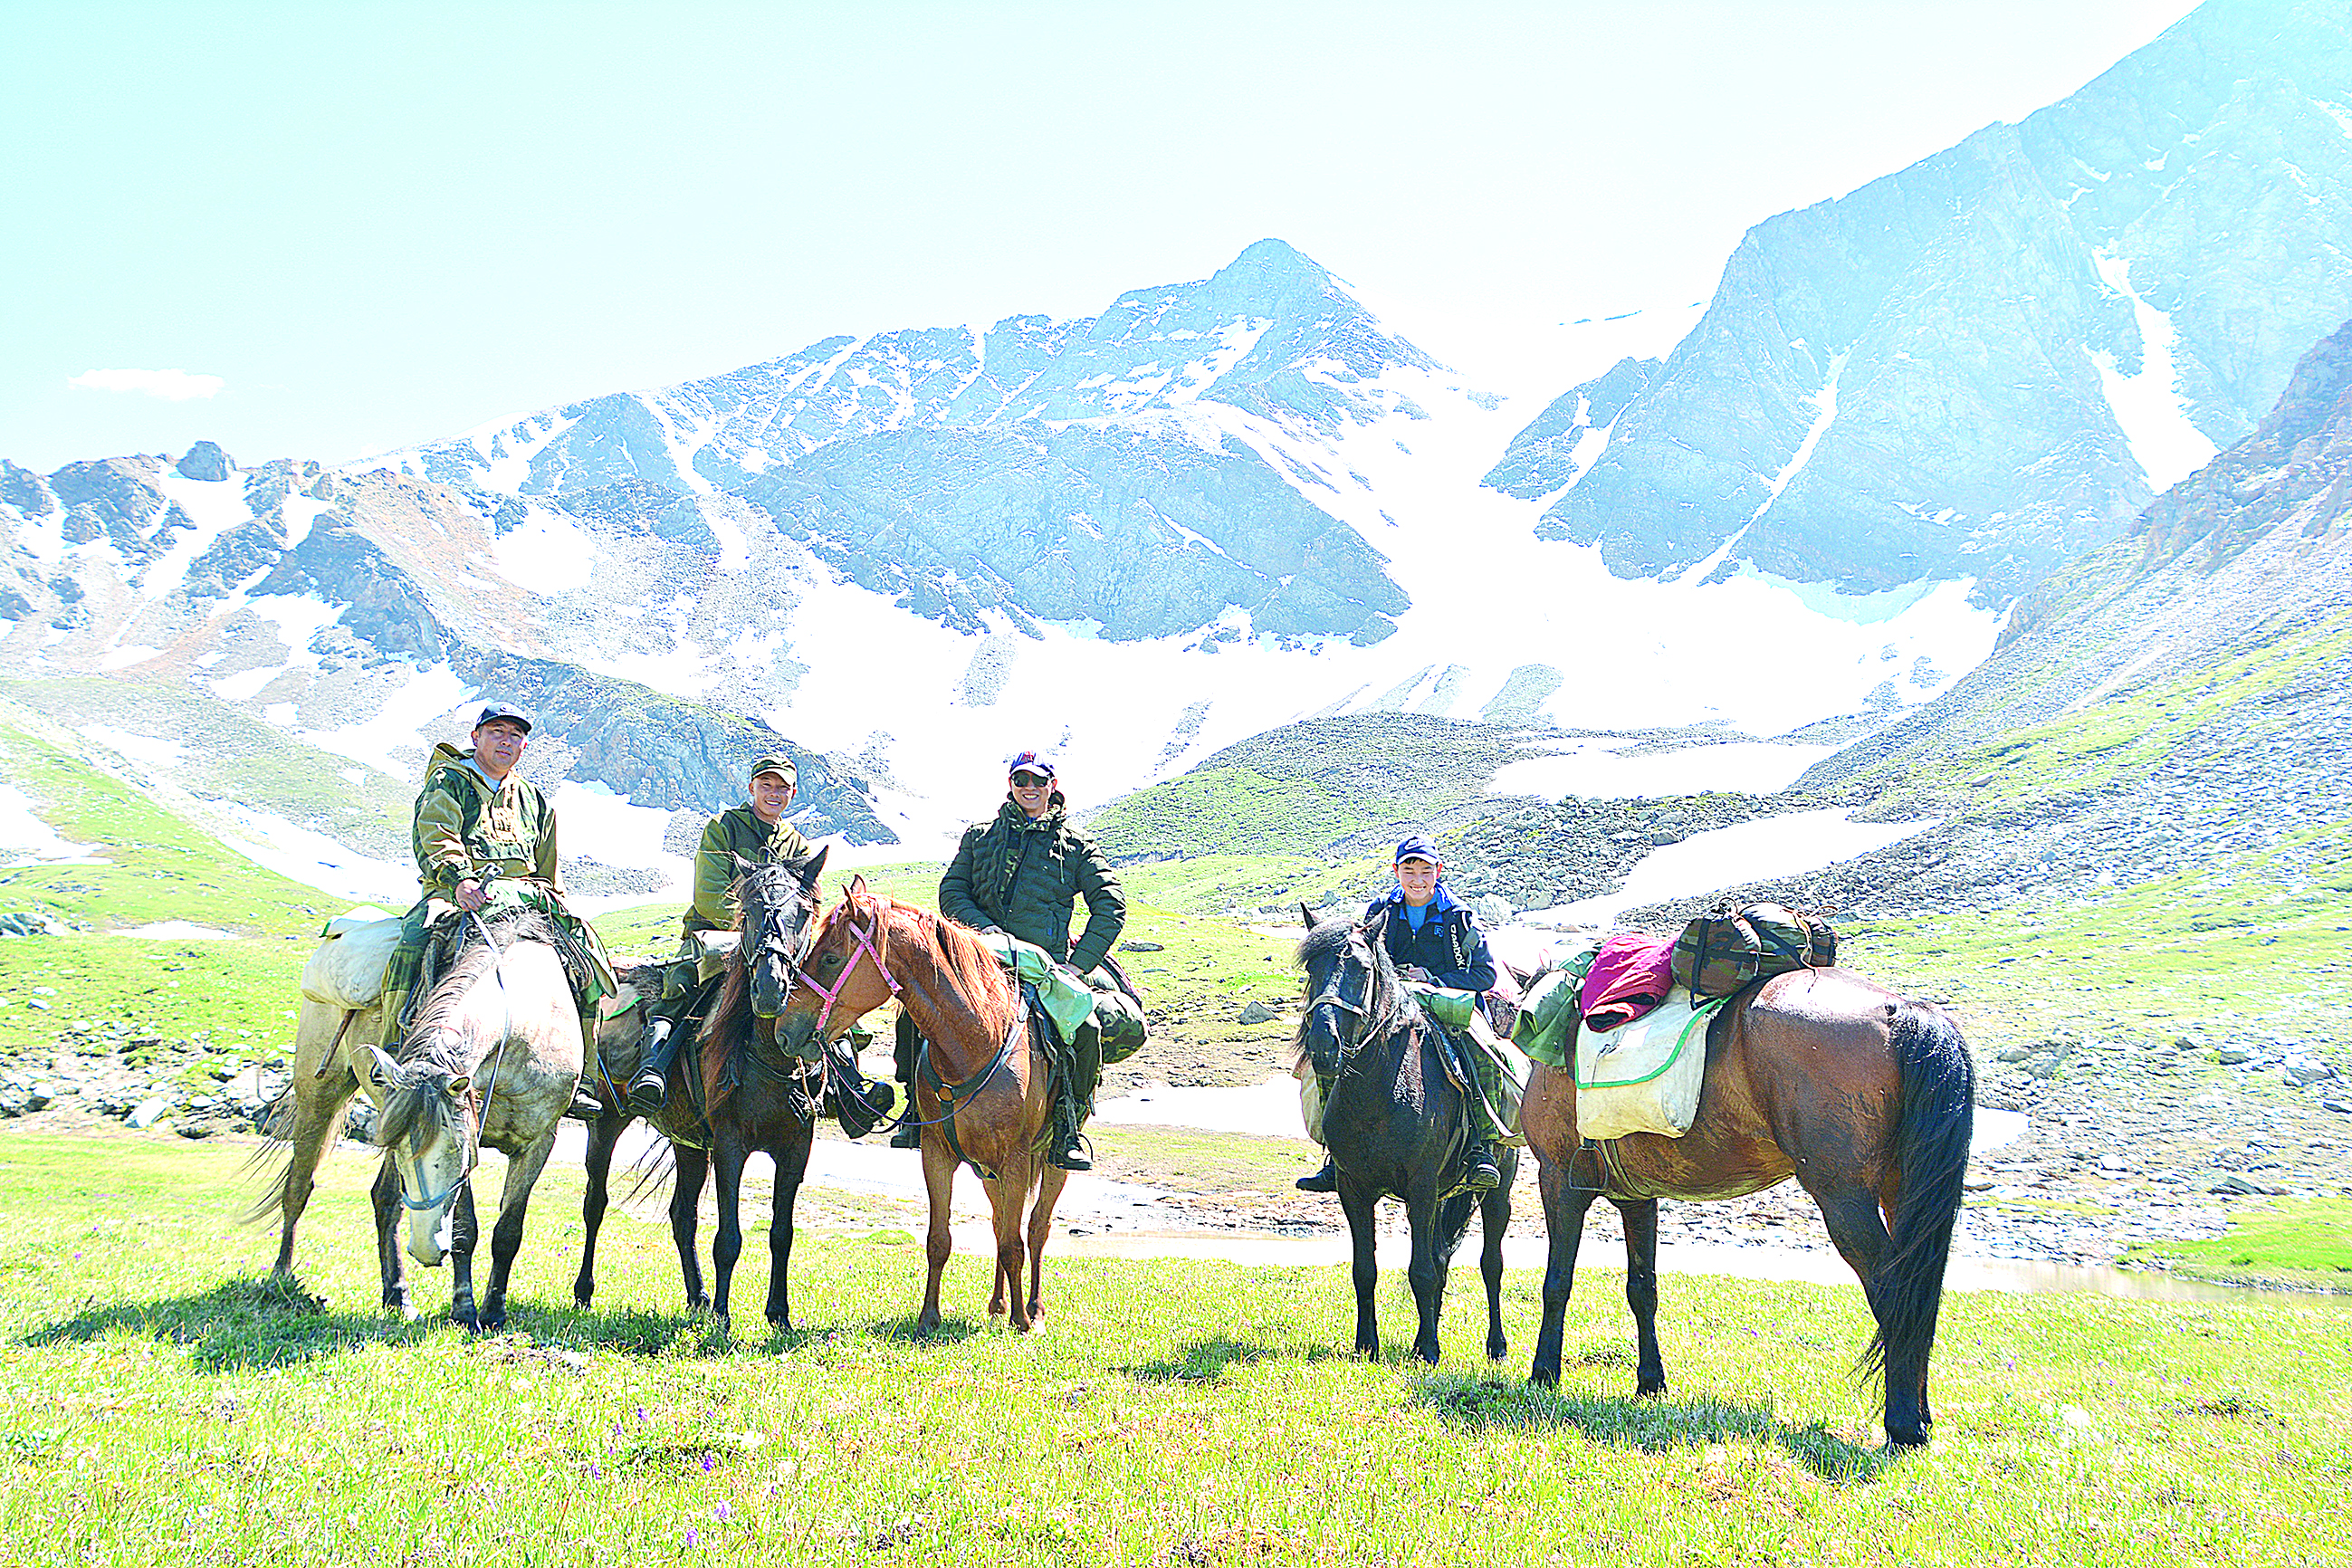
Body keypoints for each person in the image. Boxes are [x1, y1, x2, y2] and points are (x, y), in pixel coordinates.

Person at [910, 750, 1145, 1169]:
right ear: (1011, 785)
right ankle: (917, 1115)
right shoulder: (980, 837)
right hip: (977, 960)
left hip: (1044, 967)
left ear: (1052, 786)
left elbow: (1111, 905)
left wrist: (1078, 966)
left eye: (1038, 781)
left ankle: (1067, 1127)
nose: (1029, 788)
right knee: (915, 1012)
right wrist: (986, 932)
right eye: (1021, 780)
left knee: (1086, 1028)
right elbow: (952, 892)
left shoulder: (1076, 848)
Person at [376, 702, 616, 1095]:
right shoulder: (449, 782)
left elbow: (546, 865)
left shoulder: (533, 799)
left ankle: (583, 1068)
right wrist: (458, 880)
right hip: (459, 893)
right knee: (416, 936)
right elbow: (437, 836)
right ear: (476, 737)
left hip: (524, 897)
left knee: (584, 950)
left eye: (515, 736)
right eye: (497, 732)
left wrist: (557, 902)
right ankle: (393, 1044)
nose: (506, 741)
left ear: (524, 746)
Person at [1296, 835, 1505, 1195]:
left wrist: (1434, 978)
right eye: (1409, 870)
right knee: (1337, 1053)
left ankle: (1481, 1146)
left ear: (1439, 871)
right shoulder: (1381, 911)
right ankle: (1336, 1156)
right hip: (1391, 1004)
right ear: (1396, 871)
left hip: (1449, 1002)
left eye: (1426, 871)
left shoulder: (1459, 917)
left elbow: (1485, 974)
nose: (1418, 879)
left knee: (1484, 1053)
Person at [626, 755, 809, 1113]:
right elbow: (710, 895)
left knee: (826, 987)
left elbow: (806, 898)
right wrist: (753, 931)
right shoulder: (723, 828)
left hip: (777, 943)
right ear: (752, 787)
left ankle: (848, 1086)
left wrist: (783, 935)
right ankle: (654, 1068)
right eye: (767, 785)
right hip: (719, 932)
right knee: (682, 986)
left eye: (782, 788)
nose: (774, 793)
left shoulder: (798, 844)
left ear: (793, 792)